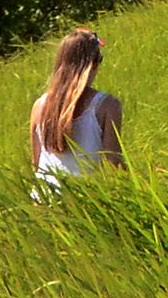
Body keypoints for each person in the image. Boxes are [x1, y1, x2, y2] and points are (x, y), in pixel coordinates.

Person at [26, 27, 125, 198]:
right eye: (99, 59)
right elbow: (113, 164)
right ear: (93, 64)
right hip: (86, 204)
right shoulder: (107, 105)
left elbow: (37, 163)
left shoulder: (39, 106)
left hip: (44, 203)